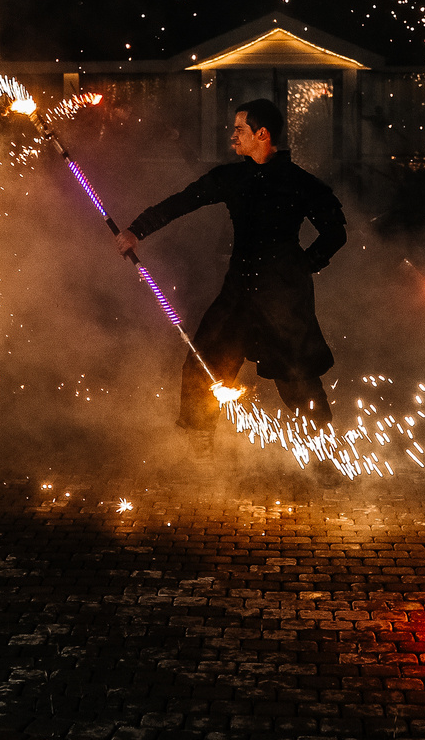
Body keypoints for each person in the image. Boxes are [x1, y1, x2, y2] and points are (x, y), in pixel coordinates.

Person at [116, 99, 347, 467]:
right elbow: (184, 200)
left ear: (262, 134)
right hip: (238, 292)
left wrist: (302, 265)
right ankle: (200, 451)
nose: (232, 137)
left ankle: (325, 458)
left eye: (239, 129)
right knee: (203, 364)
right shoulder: (233, 177)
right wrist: (136, 230)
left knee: (298, 380)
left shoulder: (301, 184)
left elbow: (335, 232)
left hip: (284, 299)